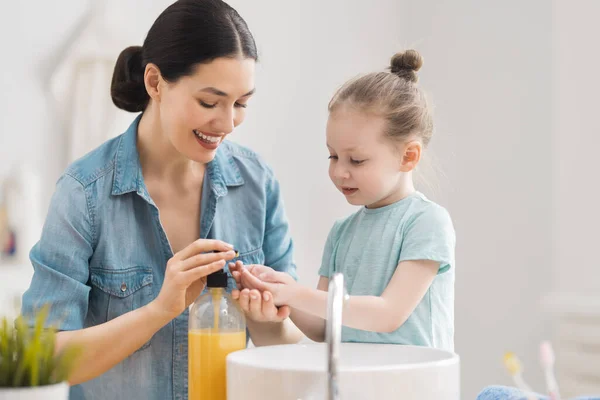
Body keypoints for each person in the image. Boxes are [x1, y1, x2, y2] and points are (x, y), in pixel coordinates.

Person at [20, 1, 303, 399]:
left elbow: (292, 349)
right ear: (155, 83)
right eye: (209, 102)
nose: (227, 124)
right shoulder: (84, 192)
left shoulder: (257, 184)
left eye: (240, 104)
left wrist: (268, 321)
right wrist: (158, 312)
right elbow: (42, 360)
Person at [231, 49, 456, 352]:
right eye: (333, 156)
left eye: (357, 160)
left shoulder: (426, 222)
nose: (339, 171)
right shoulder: (342, 231)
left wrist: (296, 293)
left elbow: (388, 314)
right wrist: (277, 290)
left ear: (408, 156)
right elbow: (323, 326)